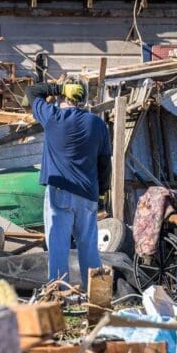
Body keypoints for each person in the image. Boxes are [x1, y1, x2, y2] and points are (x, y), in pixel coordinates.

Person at [25, 77, 111, 290]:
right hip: (88, 194)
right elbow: (104, 164)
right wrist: (101, 194)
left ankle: (59, 295)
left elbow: (32, 91)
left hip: (60, 191)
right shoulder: (97, 124)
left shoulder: (53, 118)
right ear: (84, 97)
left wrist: (57, 87)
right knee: (89, 247)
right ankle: (97, 294)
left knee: (58, 247)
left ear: (64, 95)